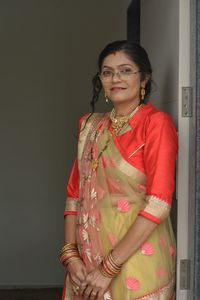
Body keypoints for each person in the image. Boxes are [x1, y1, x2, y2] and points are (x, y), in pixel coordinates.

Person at [60, 40, 178, 300]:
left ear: (144, 77)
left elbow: (158, 203)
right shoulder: (90, 127)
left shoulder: (156, 124)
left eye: (125, 70)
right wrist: (70, 255)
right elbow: (74, 196)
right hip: (87, 263)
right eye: (107, 71)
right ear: (100, 79)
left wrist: (108, 268)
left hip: (136, 260)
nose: (116, 78)